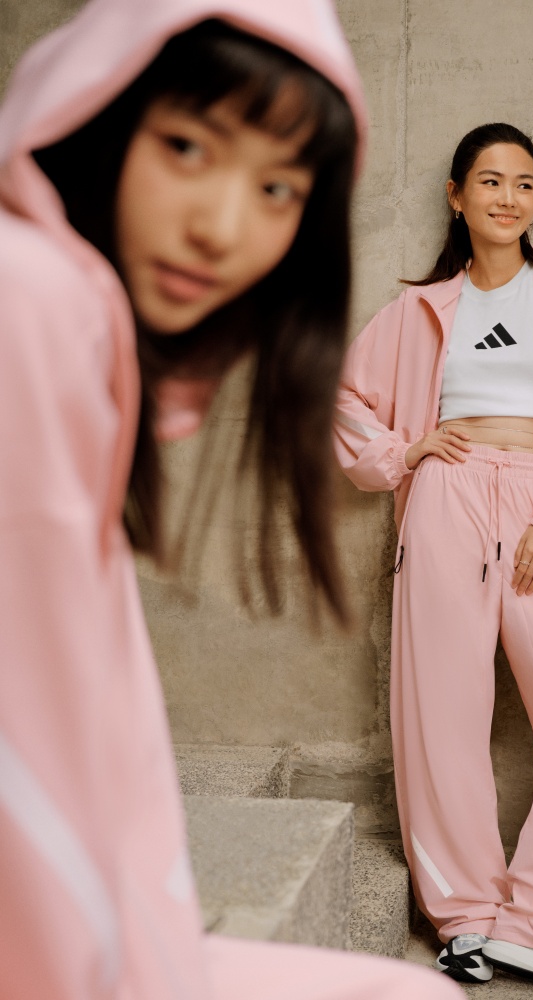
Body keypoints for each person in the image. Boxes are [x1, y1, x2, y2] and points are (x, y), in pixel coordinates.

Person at [0, 2, 464, 998]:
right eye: (185, 147)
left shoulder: (75, 323)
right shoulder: (26, 301)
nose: (219, 226)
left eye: (276, 187)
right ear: (99, 113)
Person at [335, 122, 533, 996]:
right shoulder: (422, 309)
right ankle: (465, 917)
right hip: (448, 502)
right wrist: (406, 452)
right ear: (457, 196)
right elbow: (344, 402)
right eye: (492, 181)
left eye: (525, 183)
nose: (510, 198)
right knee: (444, 714)